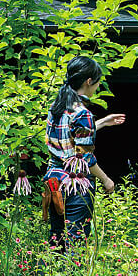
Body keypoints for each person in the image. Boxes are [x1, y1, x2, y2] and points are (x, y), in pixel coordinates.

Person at [47, 56, 123, 245]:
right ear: (89, 82)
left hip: (53, 181)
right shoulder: (83, 113)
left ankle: (46, 275)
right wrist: (106, 180)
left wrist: (103, 122)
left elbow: (68, 141)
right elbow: (84, 157)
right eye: (98, 82)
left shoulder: (57, 107)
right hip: (76, 187)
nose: (98, 86)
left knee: (56, 240)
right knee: (76, 243)